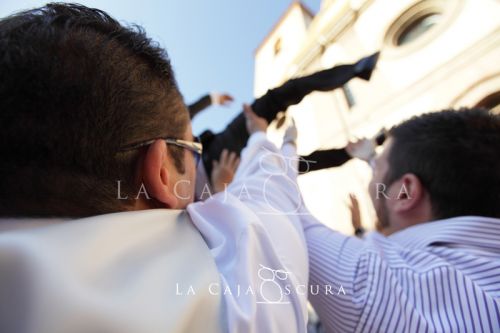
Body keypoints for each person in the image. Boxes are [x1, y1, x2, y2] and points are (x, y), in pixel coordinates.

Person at [0, 4, 309, 332]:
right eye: (194, 150)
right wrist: (266, 135)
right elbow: (271, 195)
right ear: (162, 172)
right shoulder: (231, 305)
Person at [301, 108, 500, 332]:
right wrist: (372, 160)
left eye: (377, 173)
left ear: (406, 193)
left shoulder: (378, 289)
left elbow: (281, 206)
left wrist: (264, 137)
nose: (372, 181)